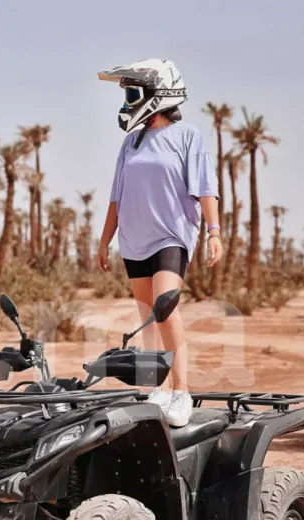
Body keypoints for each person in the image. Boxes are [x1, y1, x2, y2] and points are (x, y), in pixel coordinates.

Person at [95, 58, 222, 427]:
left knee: (165, 309)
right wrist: (104, 242)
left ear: (158, 94)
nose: (128, 102)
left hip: (171, 236)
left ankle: (182, 391)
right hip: (133, 240)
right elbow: (116, 198)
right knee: (147, 317)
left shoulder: (188, 137)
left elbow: (206, 191)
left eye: (133, 93)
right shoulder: (130, 142)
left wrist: (214, 233)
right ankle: (158, 389)